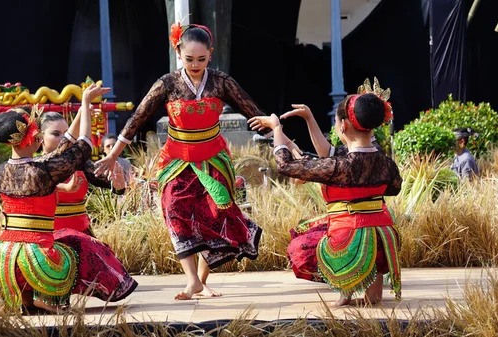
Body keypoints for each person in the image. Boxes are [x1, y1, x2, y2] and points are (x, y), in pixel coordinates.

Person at [94, 22, 271, 300]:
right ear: (178, 52)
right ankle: (192, 281)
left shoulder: (221, 81)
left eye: (202, 59)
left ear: (210, 54)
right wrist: (113, 154)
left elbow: (252, 109)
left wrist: (279, 133)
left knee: (213, 215)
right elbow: (137, 118)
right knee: (174, 209)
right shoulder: (168, 84)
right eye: (189, 59)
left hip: (213, 159)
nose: (195, 64)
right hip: (177, 159)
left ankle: (201, 281)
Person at [0, 84, 137, 314]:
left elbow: (64, 145)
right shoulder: (43, 170)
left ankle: (19, 296)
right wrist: (84, 103)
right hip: (38, 256)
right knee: (77, 247)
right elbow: (82, 145)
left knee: (30, 256)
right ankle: (48, 297)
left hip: (1, 257)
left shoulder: (3, 170)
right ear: (36, 137)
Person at [249, 90, 402, 306]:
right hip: (384, 238)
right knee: (361, 228)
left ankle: (345, 285)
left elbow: (285, 166)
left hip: (348, 238)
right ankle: (371, 289)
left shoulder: (341, 166)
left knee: (300, 247)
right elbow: (393, 188)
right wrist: (310, 119)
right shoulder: (386, 164)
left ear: (343, 126)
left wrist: (276, 129)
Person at [39, 112, 126, 234]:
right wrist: (64, 188)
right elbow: (35, 187)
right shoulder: (34, 165)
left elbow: (112, 185)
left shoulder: (80, 164)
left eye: (67, 133)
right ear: (40, 136)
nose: (63, 139)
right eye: (56, 134)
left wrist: (118, 185)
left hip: (81, 234)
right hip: (48, 235)